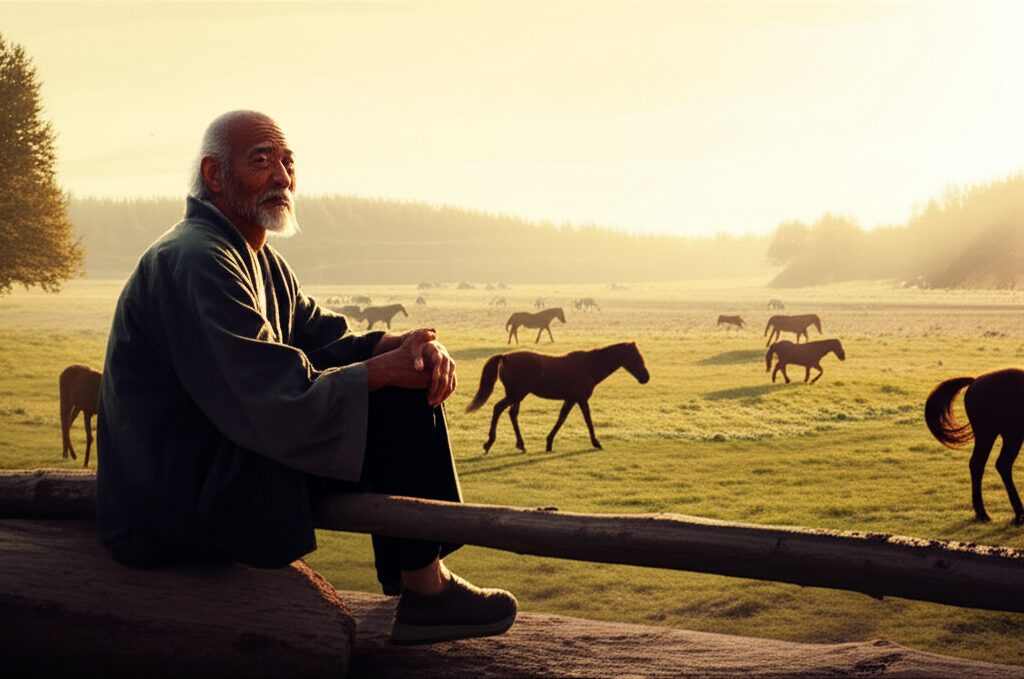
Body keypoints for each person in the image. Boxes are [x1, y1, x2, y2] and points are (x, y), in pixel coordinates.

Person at [95, 110, 516, 645]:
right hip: (174, 502)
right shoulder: (197, 259)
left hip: (208, 471)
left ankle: (420, 585)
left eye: (289, 162)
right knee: (395, 398)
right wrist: (381, 373)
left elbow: (321, 338)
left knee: (399, 377)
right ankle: (427, 593)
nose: (282, 176)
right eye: (262, 160)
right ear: (214, 175)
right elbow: (271, 397)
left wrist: (405, 347)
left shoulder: (256, 257)